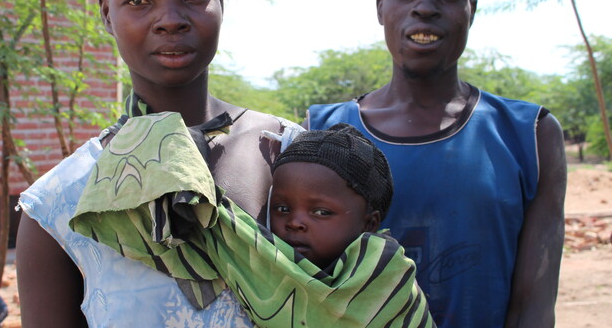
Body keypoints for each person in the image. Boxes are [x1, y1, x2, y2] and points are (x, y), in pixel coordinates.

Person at [14, 0, 294, 326]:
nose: (170, 21)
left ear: (220, 3)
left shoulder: (292, 155)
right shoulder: (59, 204)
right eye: (139, 0)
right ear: (107, 15)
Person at [306, 0, 567, 327]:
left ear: (470, 10)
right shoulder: (319, 133)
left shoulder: (530, 135)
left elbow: (533, 308)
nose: (425, 8)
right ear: (381, 7)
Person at [70, 119, 434, 327]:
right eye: (283, 209)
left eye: (321, 212)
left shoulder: (390, 280)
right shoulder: (264, 259)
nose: (296, 224)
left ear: (369, 224)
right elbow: (221, 229)